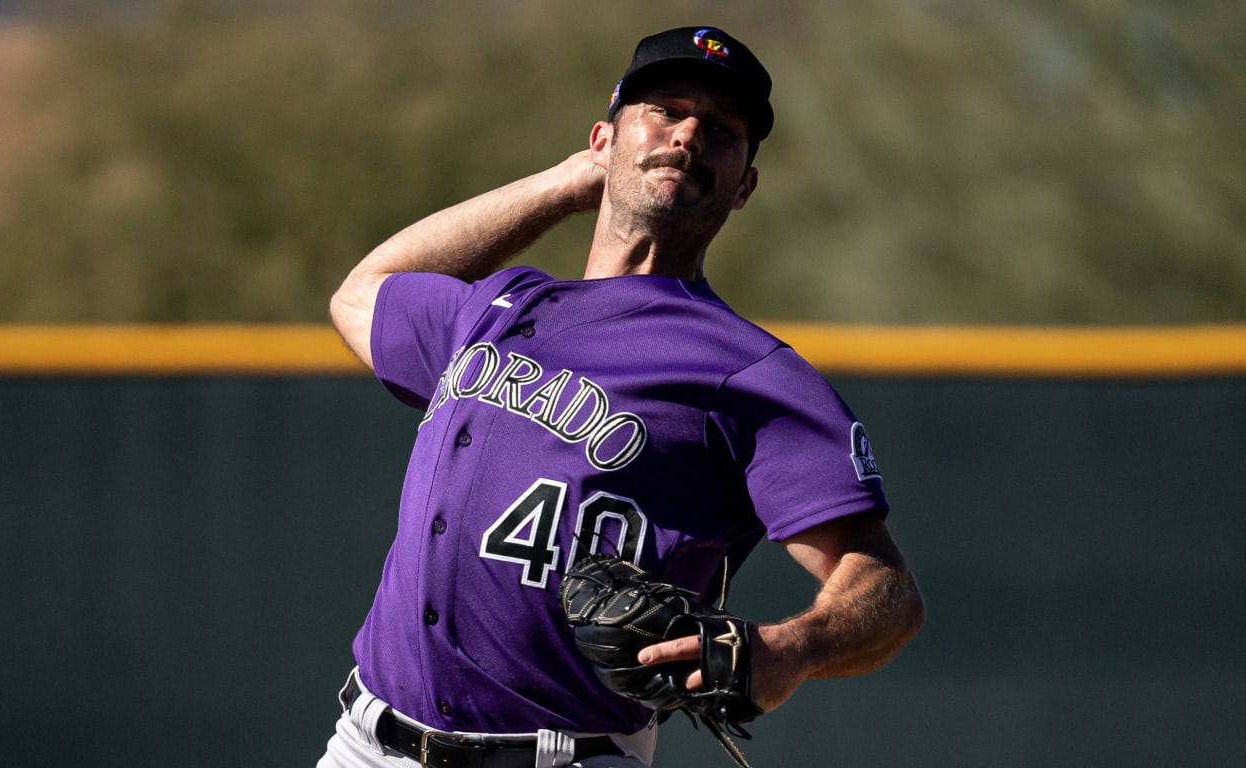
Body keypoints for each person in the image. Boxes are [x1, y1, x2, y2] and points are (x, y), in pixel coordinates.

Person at [321, 25, 925, 768]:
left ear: (744, 187)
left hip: (566, 754)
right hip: (368, 743)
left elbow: (888, 589)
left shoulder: (751, 372)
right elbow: (362, 294)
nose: (690, 133)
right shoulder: (500, 303)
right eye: (666, 110)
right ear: (605, 138)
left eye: (723, 131)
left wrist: (790, 649)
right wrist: (566, 184)